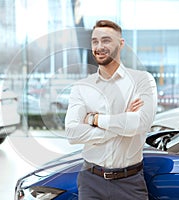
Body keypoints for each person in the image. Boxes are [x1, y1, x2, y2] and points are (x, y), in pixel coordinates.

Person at [64, 20, 157, 199]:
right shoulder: (82, 86)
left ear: (121, 44)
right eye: (94, 41)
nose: (99, 46)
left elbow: (140, 124)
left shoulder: (142, 80)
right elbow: (72, 133)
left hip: (129, 182)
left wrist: (95, 120)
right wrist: (122, 124)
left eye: (106, 40)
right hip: (91, 181)